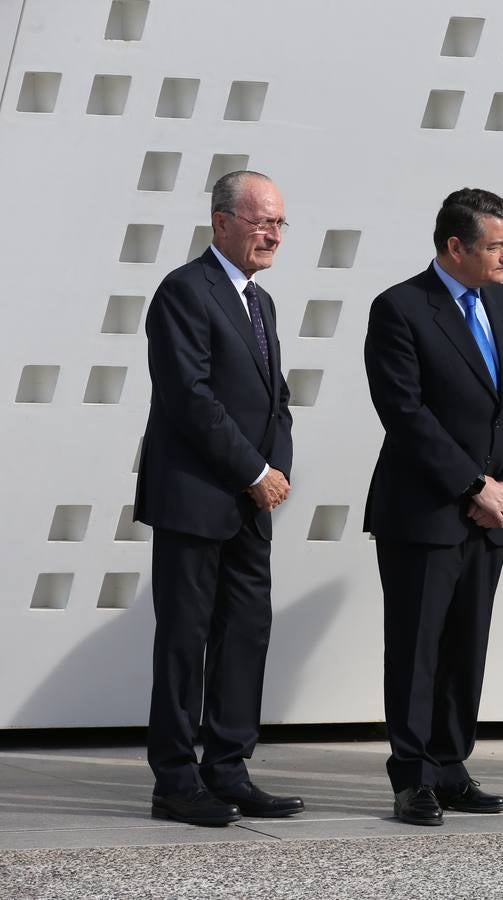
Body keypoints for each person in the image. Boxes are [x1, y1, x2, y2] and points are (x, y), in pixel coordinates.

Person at [364, 188, 503, 826]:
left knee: (468, 645)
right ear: (455, 247)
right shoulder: (401, 308)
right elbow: (405, 412)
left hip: (492, 514)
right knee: (417, 647)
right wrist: (474, 486)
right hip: (426, 511)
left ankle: (450, 765)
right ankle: (413, 776)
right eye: (496, 246)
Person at [135, 170, 302, 826]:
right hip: (195, 497)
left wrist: (275, 471)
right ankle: (176, 781)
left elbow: (276, 399)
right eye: (261, 222)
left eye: (279, 223)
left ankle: (228, 769)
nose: (273, 235)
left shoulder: (260, 302)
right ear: (222, 222)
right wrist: (254, 471)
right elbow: (190, 398)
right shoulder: (185, 290)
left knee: (245, 635)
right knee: (185, 641)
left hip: (249, 503)